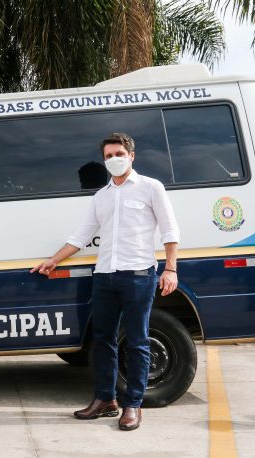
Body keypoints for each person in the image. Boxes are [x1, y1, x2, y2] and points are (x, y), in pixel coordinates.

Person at [30, 133, 179, 431]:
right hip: (105, 276)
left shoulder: (151, 188)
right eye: (109, 156)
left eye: (119, 153)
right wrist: (54, 260)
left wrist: (171, 269)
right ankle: (105, 400)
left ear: (132, 155)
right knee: (103, 342)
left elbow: (169, 230)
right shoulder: (102, 196)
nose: (114, 159)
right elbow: (82, 235)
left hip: (138, 275)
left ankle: (133, 405)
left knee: (137, 342)